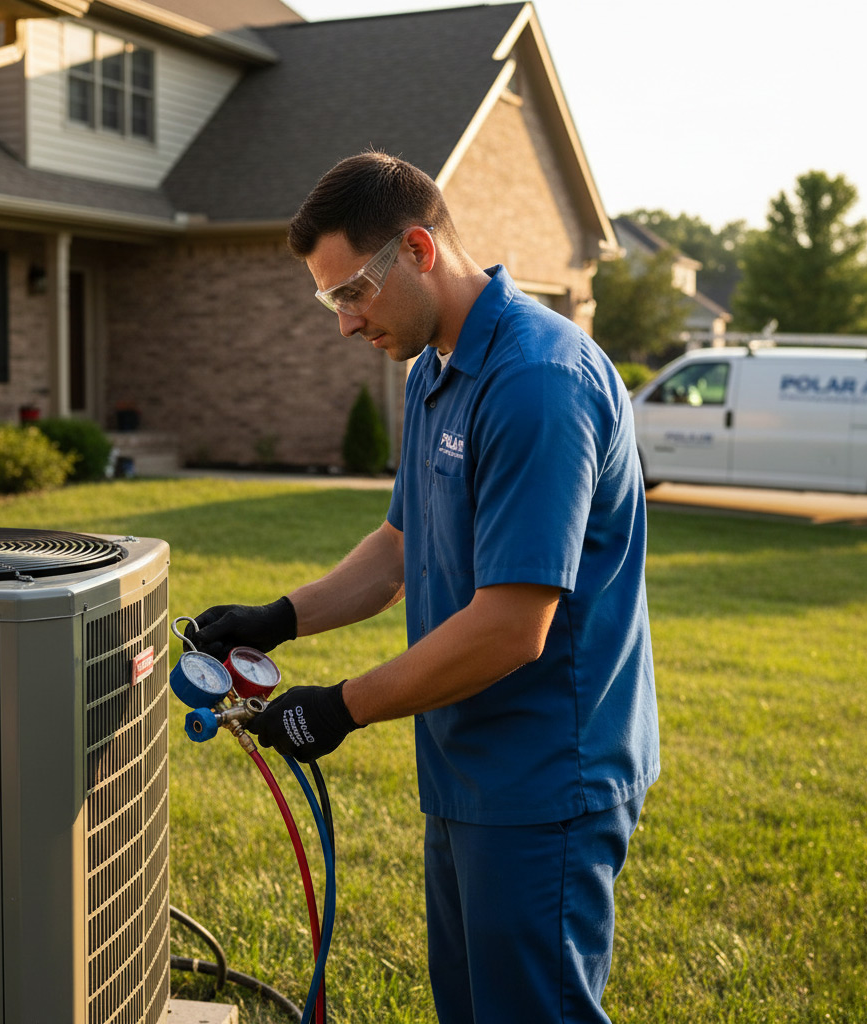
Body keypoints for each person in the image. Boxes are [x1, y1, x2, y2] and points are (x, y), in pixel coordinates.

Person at [186, 151, 660, 1024]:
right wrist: (279, 619)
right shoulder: (436, 370)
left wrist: (342, 706)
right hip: (466, 765)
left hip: (546, 774)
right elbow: (400, 548)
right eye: (329, 301)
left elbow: (512, 628)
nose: (343, 324)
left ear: (416, 248)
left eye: (351, 294)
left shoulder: (537, 383)